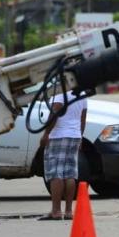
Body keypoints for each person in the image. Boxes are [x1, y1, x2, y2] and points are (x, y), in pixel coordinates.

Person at [39, 90, 87, 220]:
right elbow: (83, 118)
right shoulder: (81, 93)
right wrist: (80, 136)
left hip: (59, 136)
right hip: (74, 135)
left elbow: (55, 112)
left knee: (56, 173)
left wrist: (46, 134)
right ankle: (69, 211)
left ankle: (56, 211)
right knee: (69, 174)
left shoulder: (60, 92)